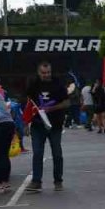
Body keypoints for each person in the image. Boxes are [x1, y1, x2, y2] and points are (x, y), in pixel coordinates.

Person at [26, 61, 70, 192]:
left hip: (55, 124)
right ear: (39, 72)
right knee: (37, 153)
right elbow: (28, 103)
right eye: (43, 73)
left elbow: (67, 102)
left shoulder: (58, 84)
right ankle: (36, 182)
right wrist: (25, 122)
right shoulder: (33, 85)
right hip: (37, 125)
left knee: (57, 153)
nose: (46, 75)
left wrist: (52, 108)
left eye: (48, 72)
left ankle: (58, 181)